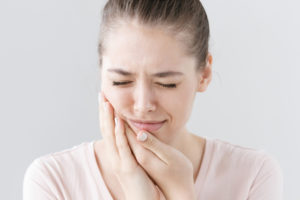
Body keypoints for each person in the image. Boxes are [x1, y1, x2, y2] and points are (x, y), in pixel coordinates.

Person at [23, 0, 283, 199]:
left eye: (166, 83)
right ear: (101, 72)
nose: (142, 104)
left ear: (204, 74)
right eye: (121, 81)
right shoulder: (53, 180)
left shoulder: (251, 176)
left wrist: (181, 192)